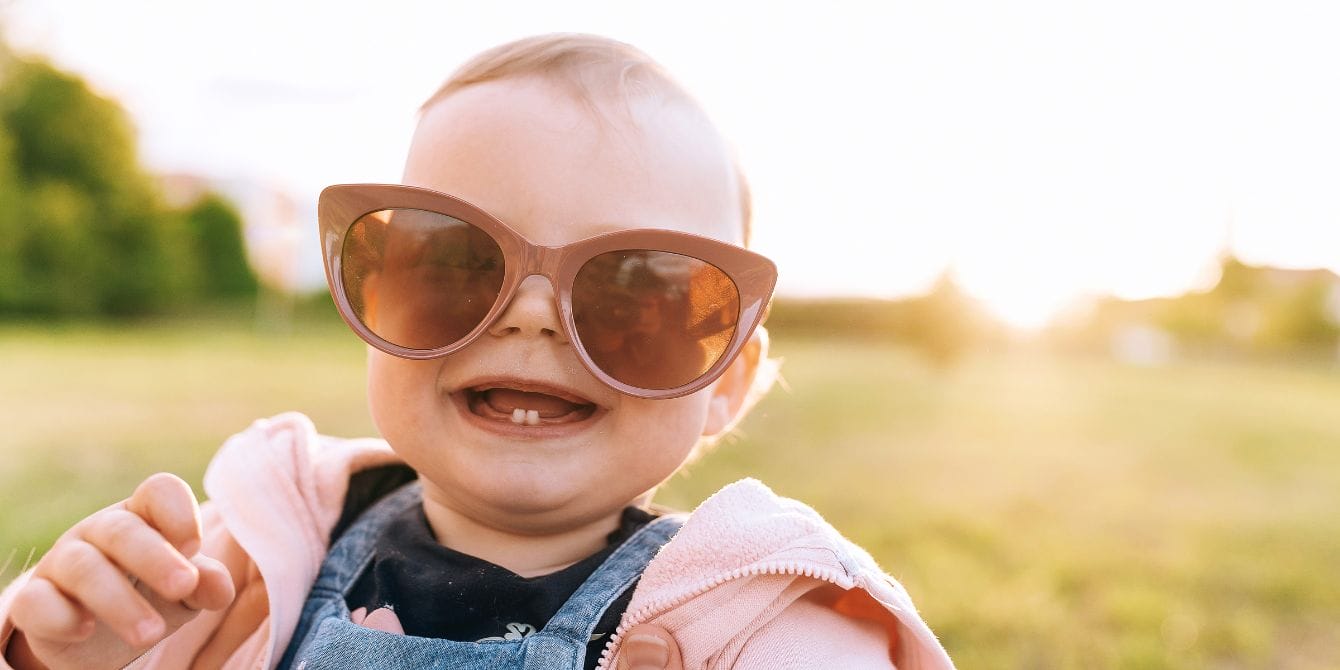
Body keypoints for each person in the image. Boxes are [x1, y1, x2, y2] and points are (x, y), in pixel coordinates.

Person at [0, 34, 955, 669]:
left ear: (725, 383)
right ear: (373, 293)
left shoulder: (755, 626)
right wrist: (66, 651)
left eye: (634, 294)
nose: (530, 319)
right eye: (454, 264)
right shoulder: (253, 551)